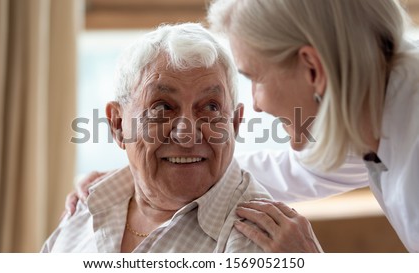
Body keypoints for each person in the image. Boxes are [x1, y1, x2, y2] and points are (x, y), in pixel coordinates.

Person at [68, 0, 419, 252]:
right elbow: (292, 171)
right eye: (163, 108)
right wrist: (142, 169)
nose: (257, 104)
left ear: (312, 70)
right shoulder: (376, 120)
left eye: (256, 78)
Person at [41, 23, 323, 253]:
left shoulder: (257, 242)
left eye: (211, 107)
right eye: (162, 107)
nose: (187, 134)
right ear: (117, 125)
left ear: (235, 124)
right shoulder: (86, 207)